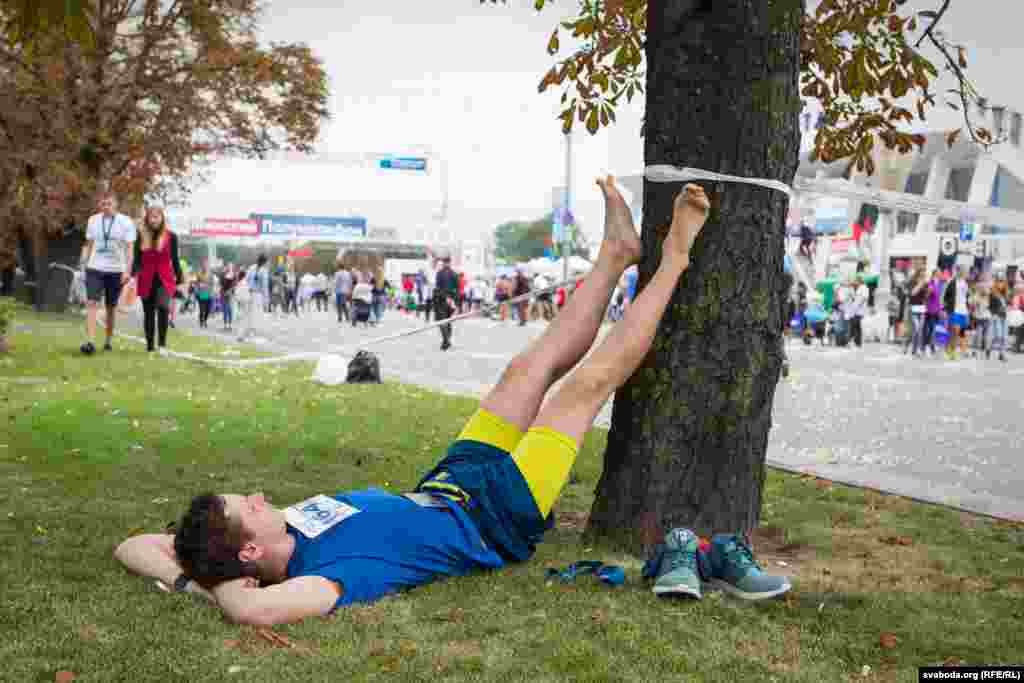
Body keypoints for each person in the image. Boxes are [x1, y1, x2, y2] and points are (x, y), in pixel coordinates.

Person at [113, 177, 787, 624]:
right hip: (496, 520)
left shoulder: (282, 530)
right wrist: (221, 590)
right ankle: (672, 258)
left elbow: (132, 544)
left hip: (447, 482)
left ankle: (615, 255)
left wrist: (188, 576)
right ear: (252, 557)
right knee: (581, 390)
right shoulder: (323, 577)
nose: (260, 496)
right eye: (248, 508)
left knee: (527, 365)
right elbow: (251, 612)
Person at [79, 192, 137, 354]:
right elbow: (89, 244)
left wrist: (127, 271)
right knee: (91, 302)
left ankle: (108, 340)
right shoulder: (93, 220)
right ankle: (89, 342)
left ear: (116, 205)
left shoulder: (126, 222)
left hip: (116, 269)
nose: (106, 207)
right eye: (103, 204)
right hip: (95, 267)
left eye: (109, 204)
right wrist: (84, 264)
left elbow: (130, 250)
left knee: (111, 307)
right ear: (100, 205)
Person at [132, 206, 183, 354]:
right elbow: (137, 259)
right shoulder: (141, 235)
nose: (154, 220)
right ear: (147, 219)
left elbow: (175, 260)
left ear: (162, 218)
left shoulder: (171, 236)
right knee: (148, 312)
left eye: (157, 216)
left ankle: (162, 345)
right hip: (146, 277)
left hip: (164, 278)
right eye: (151, 217)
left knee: (163, 308)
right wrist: (132, 274)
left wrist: (180, 280)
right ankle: (150, 346)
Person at [434, 256, 459, 351]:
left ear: (444, 263)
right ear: (450, 262)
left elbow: (438, 287)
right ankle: (447, 340)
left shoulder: (440, 273)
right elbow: (457, 289)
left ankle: (446, 340)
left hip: (442, 299)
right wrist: (455, 301)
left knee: (441, 320)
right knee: (448, 321)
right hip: (451, 300)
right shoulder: (454, 274)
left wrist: (445, 297)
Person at [943, 268, 969, 360]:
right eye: (963, 272)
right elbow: (946, 297)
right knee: (955, 330)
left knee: (958, 333)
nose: (965, 273)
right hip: (954, 310)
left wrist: (967, 310)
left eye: (965, 272)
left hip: (963, 311)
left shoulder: (966, 283)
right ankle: (950, 351)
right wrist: (945, 310)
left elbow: (966, 298)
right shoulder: (952, 282)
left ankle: (950, 349)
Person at [220, 264, 238, 332]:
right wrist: (224, 292)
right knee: (225, 309)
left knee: (230, 309)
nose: (229, 268)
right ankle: (225, 325)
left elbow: (235, 285)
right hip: (223, 294)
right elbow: (221, 284)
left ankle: (230, 324)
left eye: (231, 267)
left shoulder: (234, 275)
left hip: (231, 294)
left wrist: (230, 291)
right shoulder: (223, 275)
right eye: (228, 267)